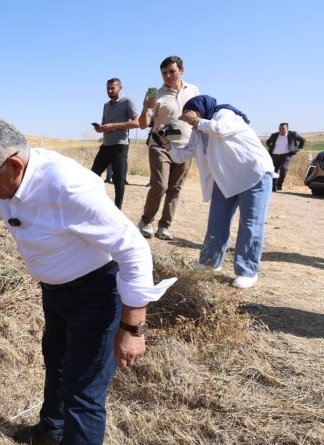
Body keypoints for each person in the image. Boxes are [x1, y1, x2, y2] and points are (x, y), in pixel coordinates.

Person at [0, 119, 176, 445]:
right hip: (55, 293)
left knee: (84, 395)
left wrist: (133, 329)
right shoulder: (1, 186)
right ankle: (51, 428)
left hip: (97, 296)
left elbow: (134, 248)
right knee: (57, 362)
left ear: (13, 165)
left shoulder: (66, 187)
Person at [166, 95, 274, 289]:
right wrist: (166, 142)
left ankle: (247, 271)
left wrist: (196, 121)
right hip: (225, 179)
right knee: (217, 222)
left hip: (254, 173)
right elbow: (181, 156)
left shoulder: (225, 114)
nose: (189, 117)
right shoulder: (198, 131)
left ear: (201, 108)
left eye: (191, 112)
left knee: (250, 225)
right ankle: (208, 263)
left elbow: (220, 129)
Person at [137, 56, 200, 240]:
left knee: (175, 188)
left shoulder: (194, 90)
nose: (168, 76)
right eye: (164, 73)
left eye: (171, 72)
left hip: (186, 147)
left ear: (182, 70)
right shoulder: (157, 94)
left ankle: (164, 226)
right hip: (160, 146)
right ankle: (146, 221)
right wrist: (144, 108)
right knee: (160, 185)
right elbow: (143, 124)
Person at [91, 78, 139, 209]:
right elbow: (105, 124)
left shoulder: (127, 101)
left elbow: (137, 123)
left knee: (119, 181)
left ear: (120, 88)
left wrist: (113, 126)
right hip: (106, 145)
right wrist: (100, 128)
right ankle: (94, 204)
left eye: (113, 88)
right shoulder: (106, 105)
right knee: (92, 176)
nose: (110, 91)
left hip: (120, 145)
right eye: (108, 89)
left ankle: (118, 210)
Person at [265, 122, 306, 192]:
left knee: (283, 169)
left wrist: (298, 148)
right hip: (275, 155)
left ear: (287, 128)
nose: (281, 130)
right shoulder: (274, 135)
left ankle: (279, 185)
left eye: (283, 128)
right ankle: (273, 186)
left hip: (286, 155)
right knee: (273, 171)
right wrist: (271, 148)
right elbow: (268, 142)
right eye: (280, 128)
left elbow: (303, 140)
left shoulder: (293, 134)